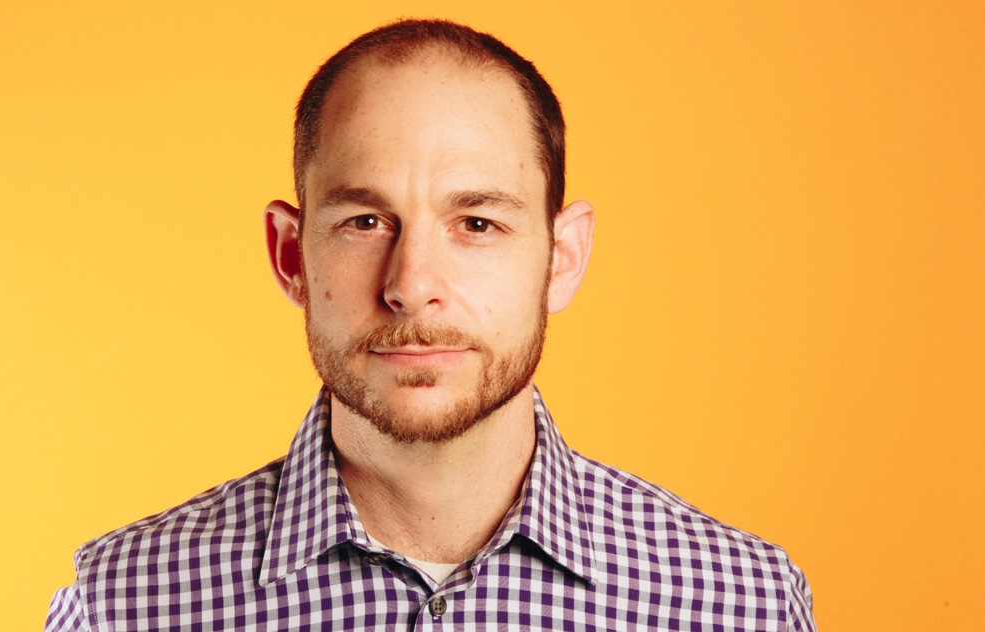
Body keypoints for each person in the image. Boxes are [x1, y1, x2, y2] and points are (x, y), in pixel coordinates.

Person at [45, 19, 815, 631]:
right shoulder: (121, 607)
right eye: (365, 221)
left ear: (563, 258)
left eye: (477, 223)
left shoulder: (742, 604)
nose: (412, 287)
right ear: (290, 256)